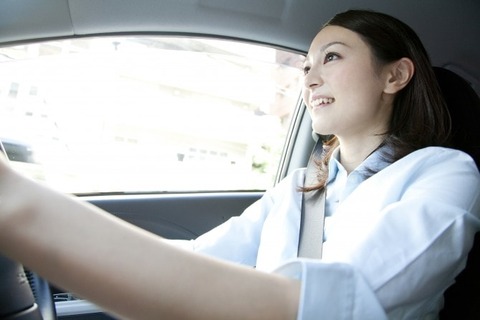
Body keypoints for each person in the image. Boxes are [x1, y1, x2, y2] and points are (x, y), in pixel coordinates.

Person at [0, 9, 479, 320]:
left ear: (394, 75)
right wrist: (62, 262)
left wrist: (25, 211)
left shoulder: (445, 172)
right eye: (306, 66)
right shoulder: (299, 186)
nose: (308, 79)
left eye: (330, 58)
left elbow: (351, 299)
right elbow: (205, 256)